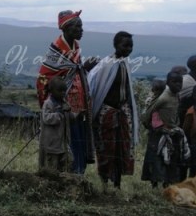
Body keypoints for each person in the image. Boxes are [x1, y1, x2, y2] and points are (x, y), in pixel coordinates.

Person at [36, 10, 94, 174]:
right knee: (68, 139)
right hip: (64, 107)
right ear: (66, 28)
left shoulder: (76, 47)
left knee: (78, 138)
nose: (81, 30)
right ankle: (67, 173)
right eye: (78, 27)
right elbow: (44, 78)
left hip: (78, 106)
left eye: (81, 27)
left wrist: (83, 69)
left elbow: (75, 71)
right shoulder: (56, 51)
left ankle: (78, 172)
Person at [87, 31, 138, 190]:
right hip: (107, 112)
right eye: (125, 45)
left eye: (131, 46)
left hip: (122, 111)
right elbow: (93, 83)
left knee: (121, 148)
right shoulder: (106, 64)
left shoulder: (124, 64)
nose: (128, 49)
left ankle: (117, 183)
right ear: (116, 45)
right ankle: (104, 182)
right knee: (106, 147)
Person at [141, 71, 188, 188]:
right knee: (156, 158)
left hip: (172, 131)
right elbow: (149, 112)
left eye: (180, 82)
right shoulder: (163, 97)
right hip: (159, 132)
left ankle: (167, 183)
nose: (178, 85)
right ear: (168, 82)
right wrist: (152, 126)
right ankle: (154, 183)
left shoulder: (177, 95)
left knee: (171, 159)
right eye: (174, 82)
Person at [39, 77, 83, 172]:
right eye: (60, 91)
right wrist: (60, 114)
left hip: (63, 143)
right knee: (52, 168)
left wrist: (77, 115)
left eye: (64, 90)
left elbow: (69, 116)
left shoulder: (64, 103)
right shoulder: (48, 104)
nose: (63, 93)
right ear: (52, 91)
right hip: (51, 144)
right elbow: (46, 118)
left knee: (69, 162)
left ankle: (64, 182)